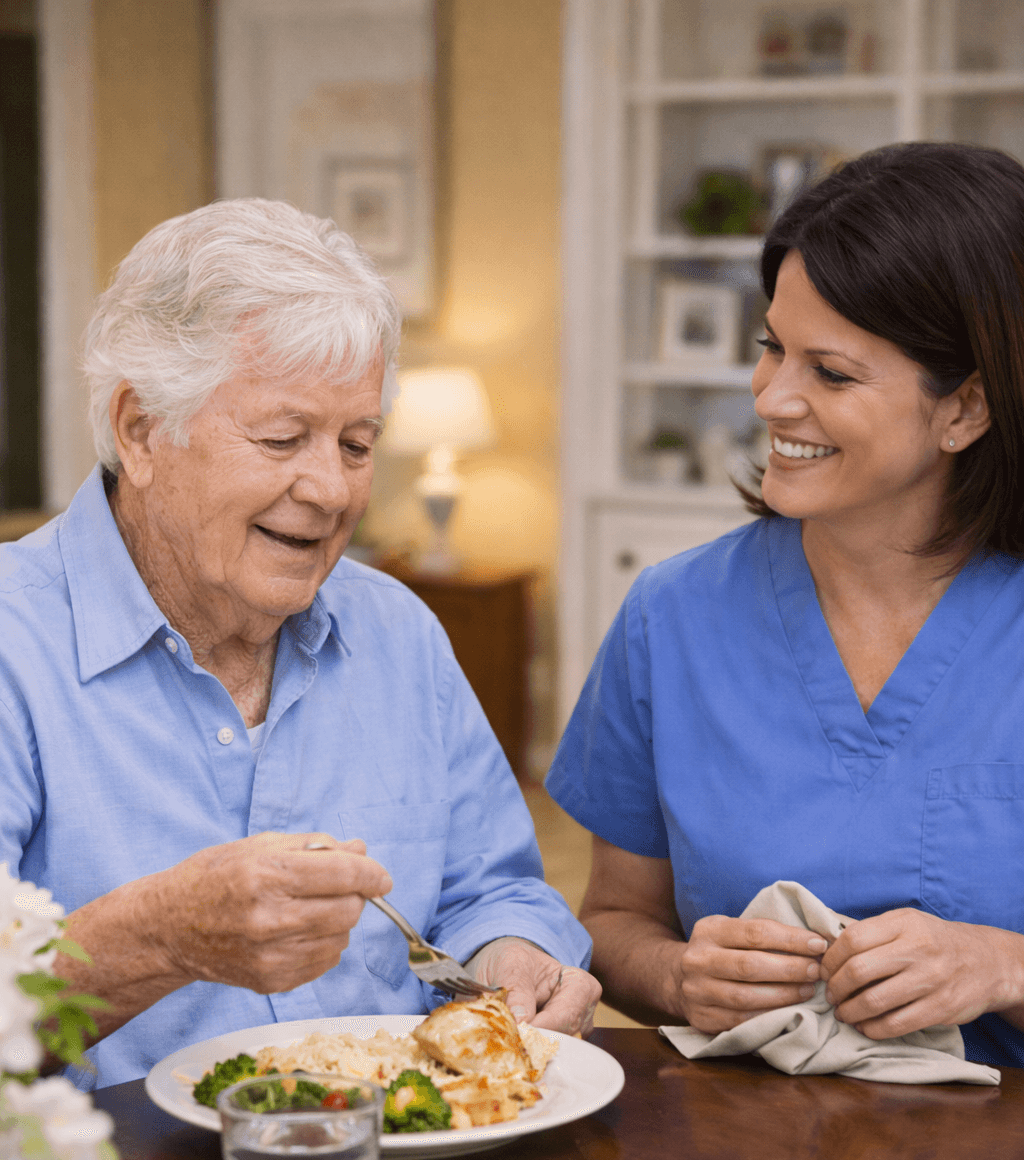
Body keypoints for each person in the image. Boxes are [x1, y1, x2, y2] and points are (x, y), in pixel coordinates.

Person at [0, 198, 599, 1088]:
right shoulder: (16, 641)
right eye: (283, 438)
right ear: (140, 429)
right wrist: (159, 936)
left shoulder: (400, 632)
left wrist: (516, 957)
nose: (329, 490)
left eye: (358, 444)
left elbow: (492, 890)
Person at [546, 141, 1024, 1069]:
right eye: (772, 349)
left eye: (831, 374)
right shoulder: (671, 616)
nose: (771, 397)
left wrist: (1000, 964)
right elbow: (611, 921)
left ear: (964, 408)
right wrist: (679, 975)